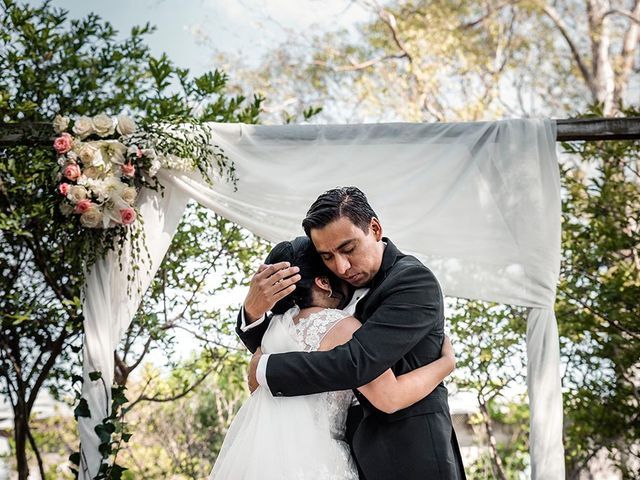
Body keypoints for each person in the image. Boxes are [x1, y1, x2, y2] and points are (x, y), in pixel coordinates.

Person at [241, 187, 466, 480]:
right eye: (327, 257)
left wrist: (266, 369)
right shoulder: (335, 290)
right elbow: (296, 338)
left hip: (411, 454)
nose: (342, 267)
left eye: (349, 249)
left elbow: (356, 362)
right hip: (346, 456)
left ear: (375, 228)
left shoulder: (413, 281)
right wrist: (252, 311)